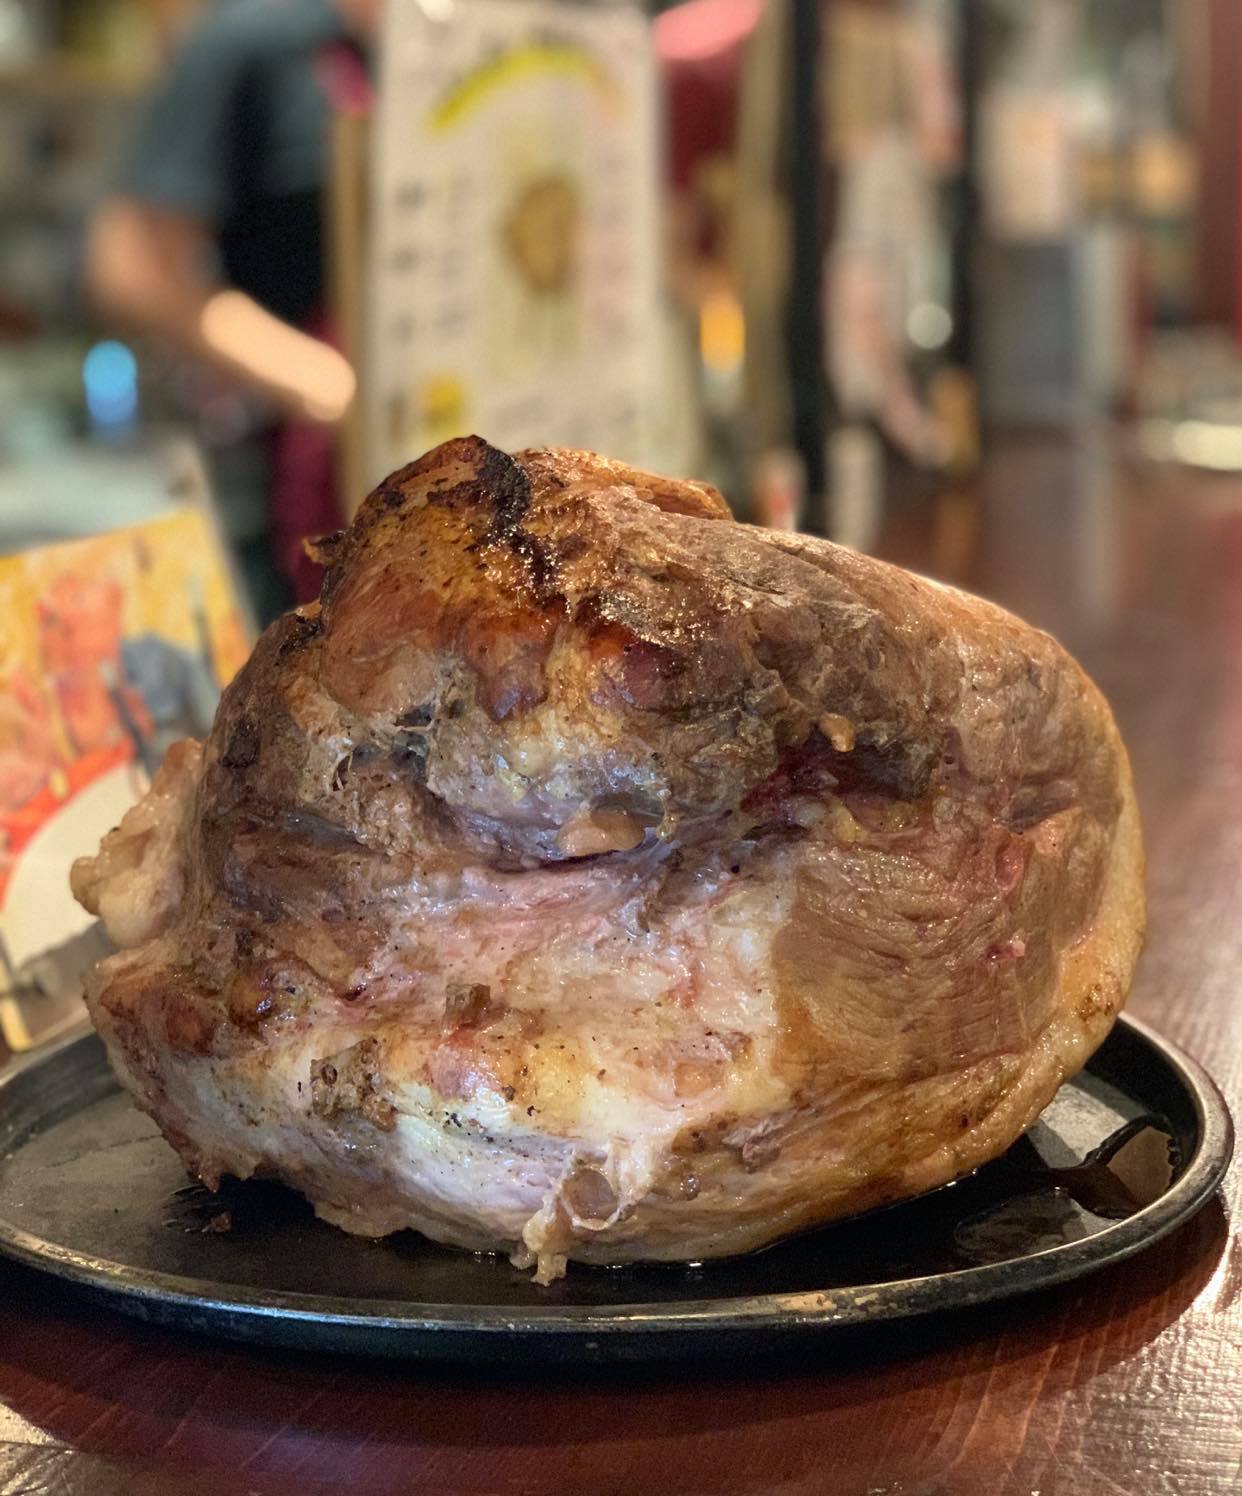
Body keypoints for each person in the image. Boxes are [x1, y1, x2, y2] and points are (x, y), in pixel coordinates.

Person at [85, 0, 382, 619]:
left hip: (400, 444)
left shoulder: (429, 46)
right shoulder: (255, 38)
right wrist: (318, 381)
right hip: (284, 472)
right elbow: (129, 264)